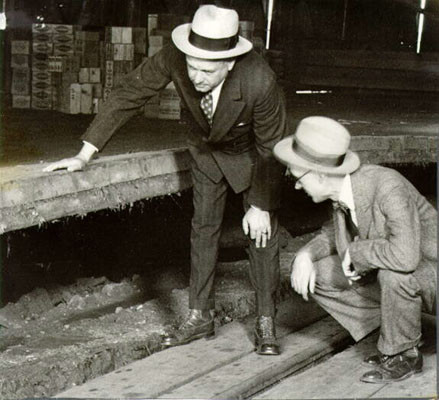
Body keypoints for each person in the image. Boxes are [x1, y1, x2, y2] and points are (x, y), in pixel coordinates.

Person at [44, 5, 287, 355]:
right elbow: (130, 93)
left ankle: (267, 320)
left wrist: (261, 204)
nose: (196, 77)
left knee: (261, 234)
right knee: (204, 228)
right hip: (205, 150)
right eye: (192, 67)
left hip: (252, 154)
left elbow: (271, 148)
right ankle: (199, 315)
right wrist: (85, 154)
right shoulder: (177, 55)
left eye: (207, 71)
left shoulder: (259, 81)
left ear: (230, 64)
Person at [272, 116, 437, 382]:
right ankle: (401, 333)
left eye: (298, 177)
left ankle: (405, 356)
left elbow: (406, 257)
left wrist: (355, 253)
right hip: (414, 276)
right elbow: (331, 232)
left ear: (322, 174)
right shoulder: (342, 191)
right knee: (319, 274)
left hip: (432, 272)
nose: (296, 185)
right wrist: (304, 256)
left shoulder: (387, 186)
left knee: (393, 275)